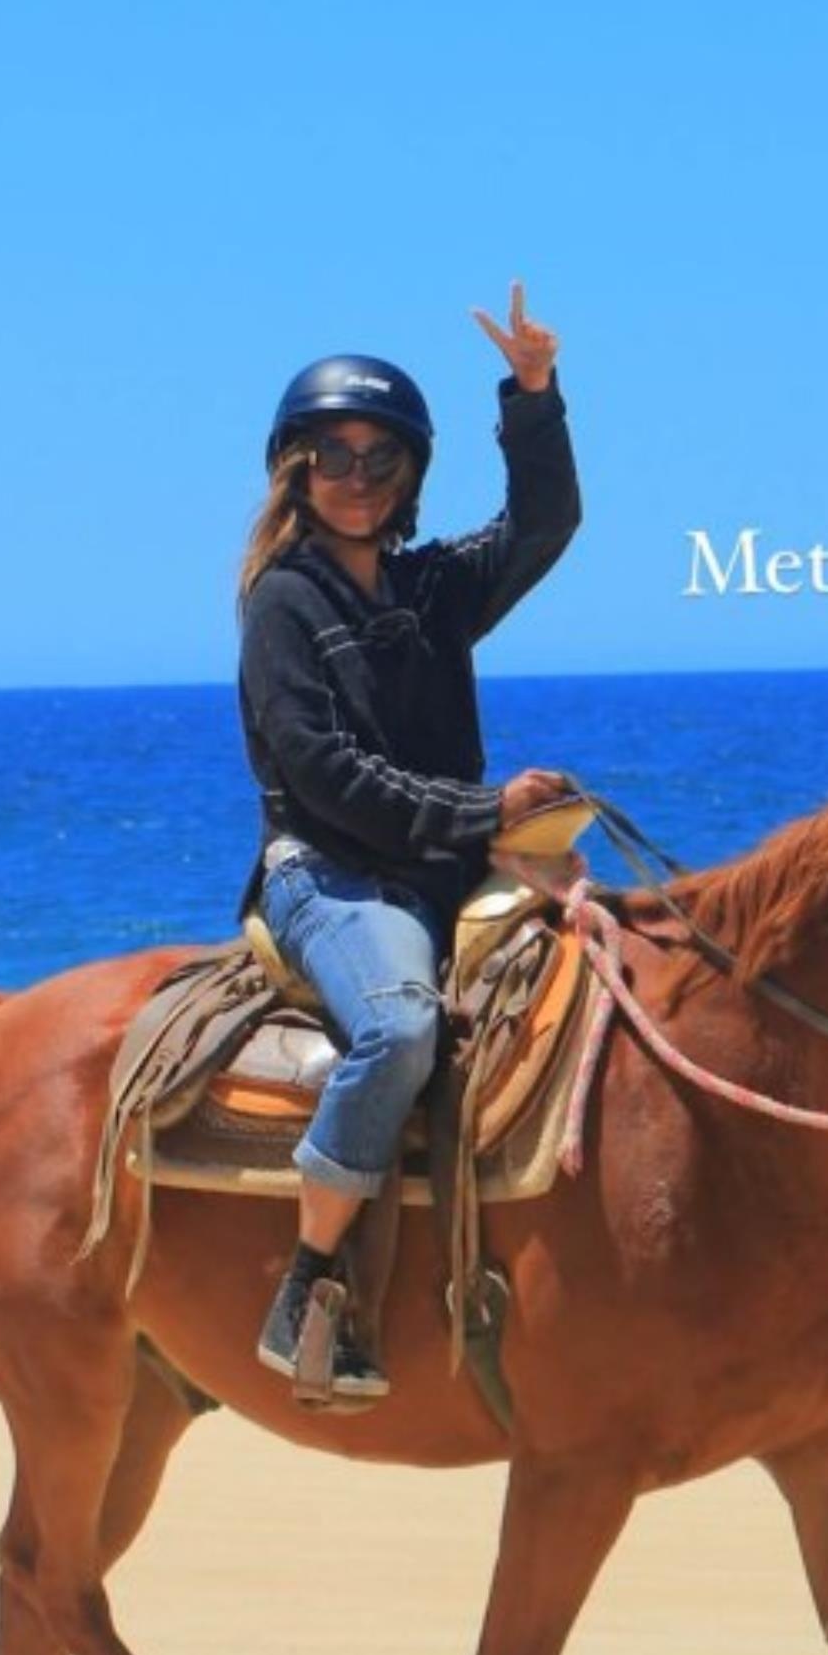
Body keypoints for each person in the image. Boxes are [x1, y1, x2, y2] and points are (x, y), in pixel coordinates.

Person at [236, 285, 581, 1400]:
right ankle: (308, 1283)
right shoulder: (282, 604)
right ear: (294, 469)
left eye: (381, 458)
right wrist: (490, 815)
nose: (356, 476)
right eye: (331, 455)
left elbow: (544, 525)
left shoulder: (433, 590)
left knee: (617, 963)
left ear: (410, 478)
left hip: (446, 862)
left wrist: (532, 397)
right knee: (398, 1028)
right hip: (334, 875)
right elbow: (333, 779)